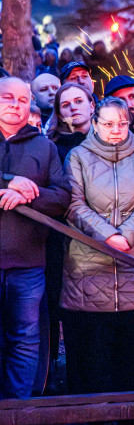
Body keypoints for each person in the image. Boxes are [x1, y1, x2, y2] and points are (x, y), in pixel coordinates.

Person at [62, 97, 134, 425]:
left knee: (131, 337)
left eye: (121, 123)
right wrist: (108, 235)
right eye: (107, 123)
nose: (115, 130)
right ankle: (98, 414)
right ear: (95, 123)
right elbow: (74, 204)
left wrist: (129, 234)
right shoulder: (78, 156)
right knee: (95, 340)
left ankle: (132, 411)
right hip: (92, 257)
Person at [0, 77, 72, 400]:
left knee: (25, 339)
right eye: (7, 98)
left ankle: (15, 412)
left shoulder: (45, 147)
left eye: (23, 99)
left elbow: (61, 198)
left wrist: (28, 195)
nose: (16, 105)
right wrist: (9, 182)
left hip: (28, 263)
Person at [47, 83, 95, 162]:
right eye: (65, 105)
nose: (73, 108)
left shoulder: (112, 136)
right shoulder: (54, 150)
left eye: (78, 101)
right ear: (60, 115)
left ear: (92, 106)